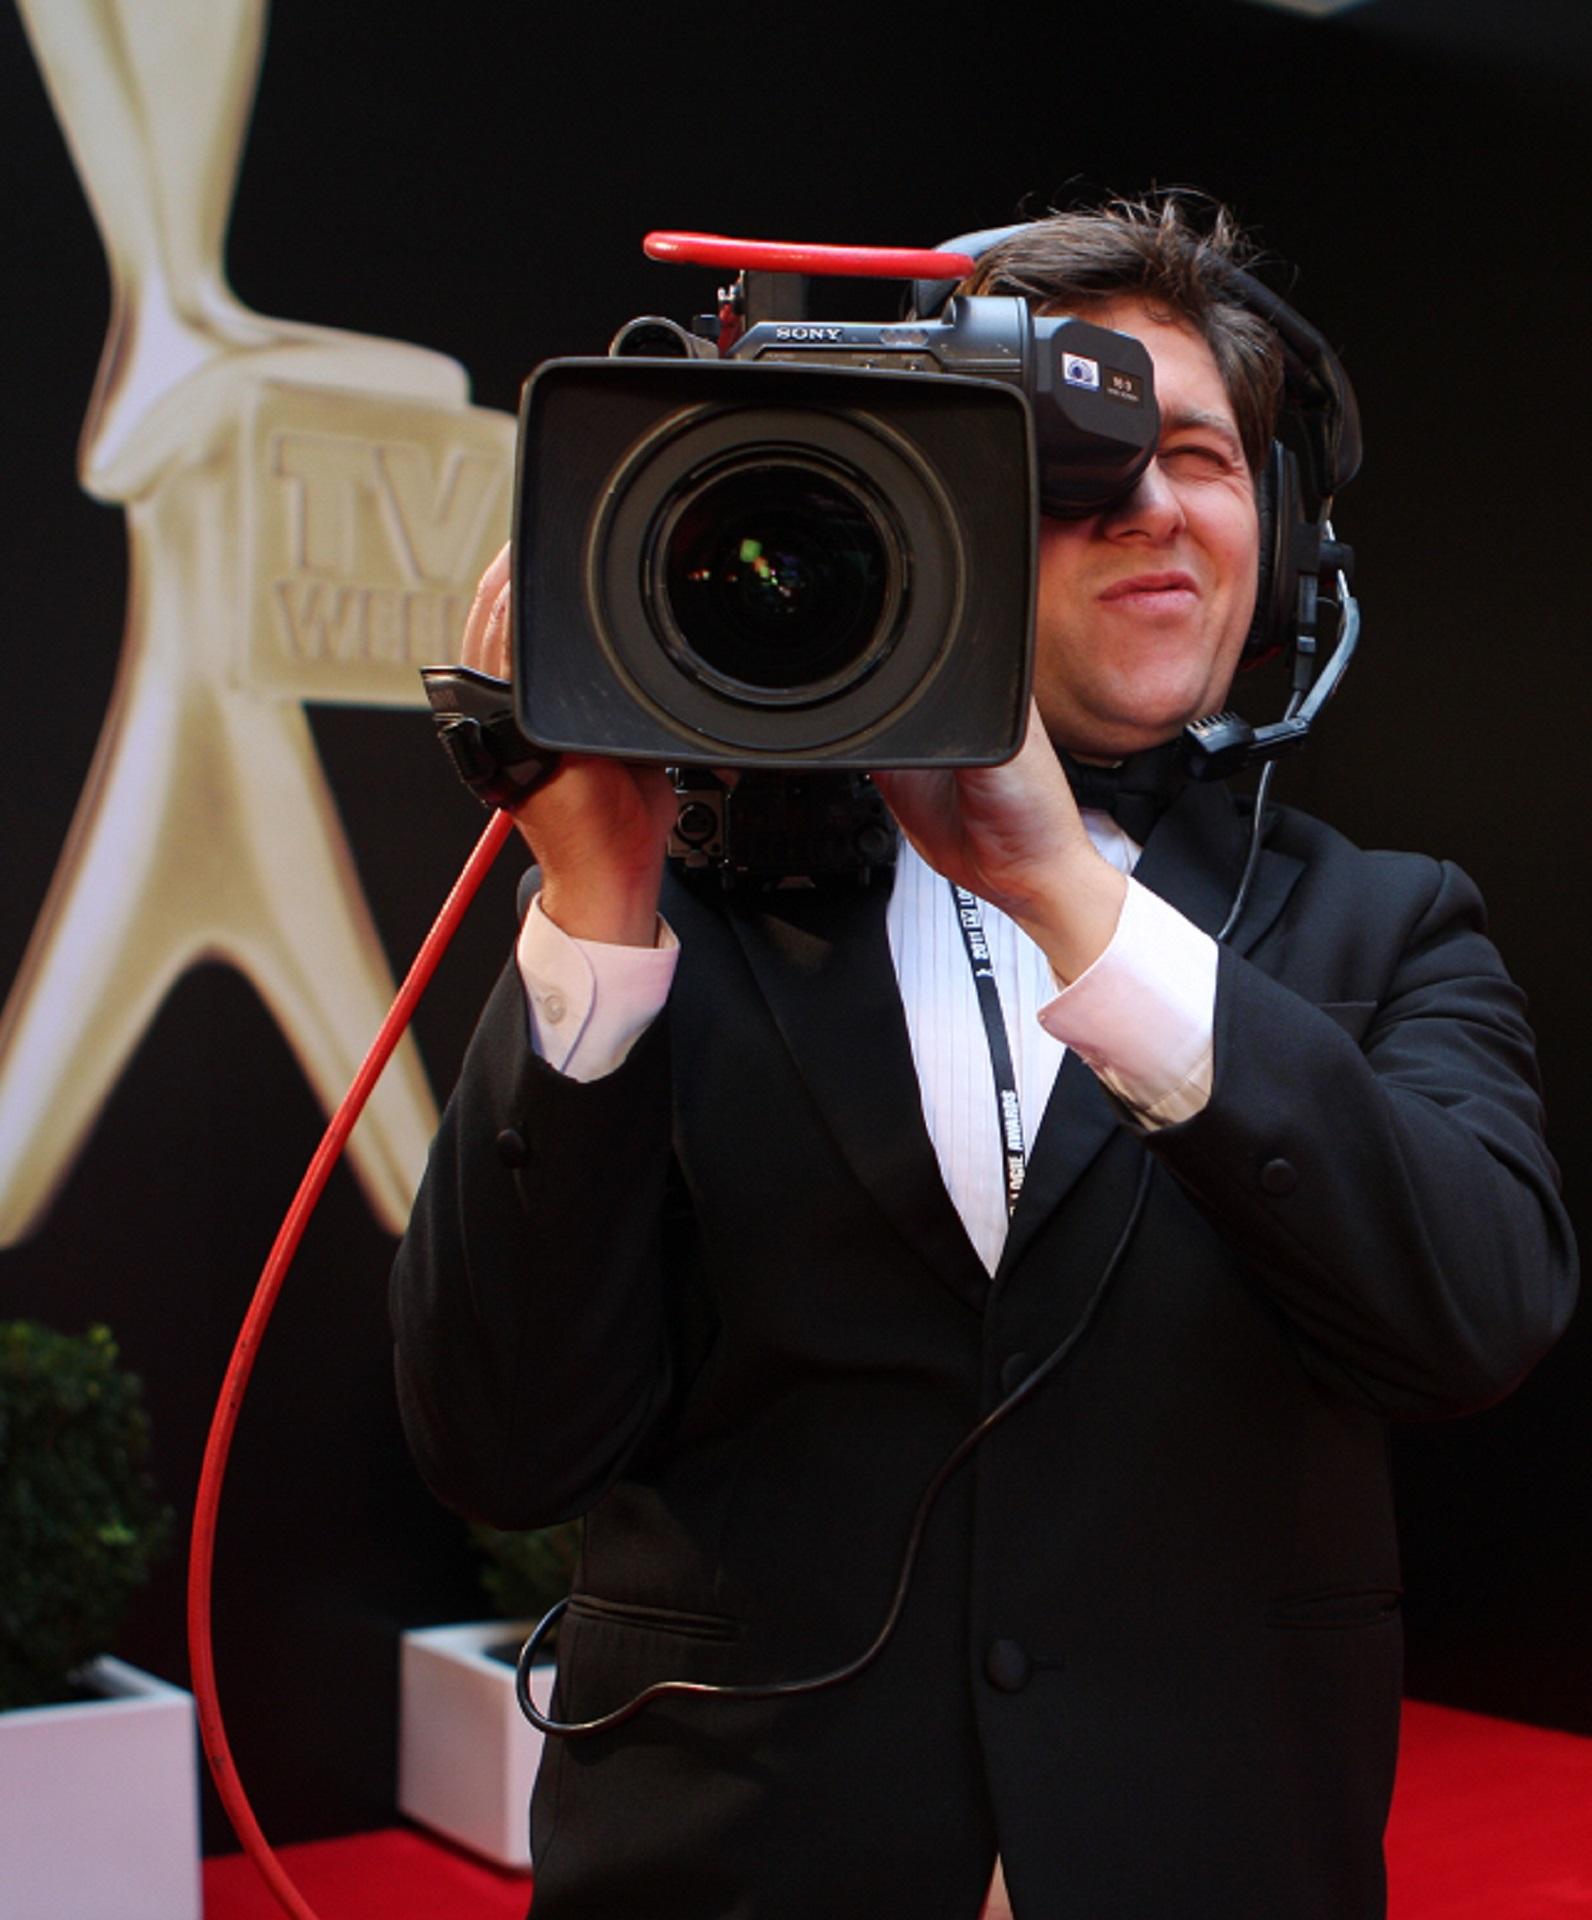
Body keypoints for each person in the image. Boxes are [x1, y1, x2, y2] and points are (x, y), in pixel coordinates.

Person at [390, 195, 1577, 1920]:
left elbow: (1472, 1320)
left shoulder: (1391, 927)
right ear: (933, 503)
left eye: (1199, 457)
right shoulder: (671, 921)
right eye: (1071, 464)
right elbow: (503, 1449)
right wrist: (598, 898)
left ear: (1285, 528)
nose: (1150, 507)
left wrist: (1071, 896)